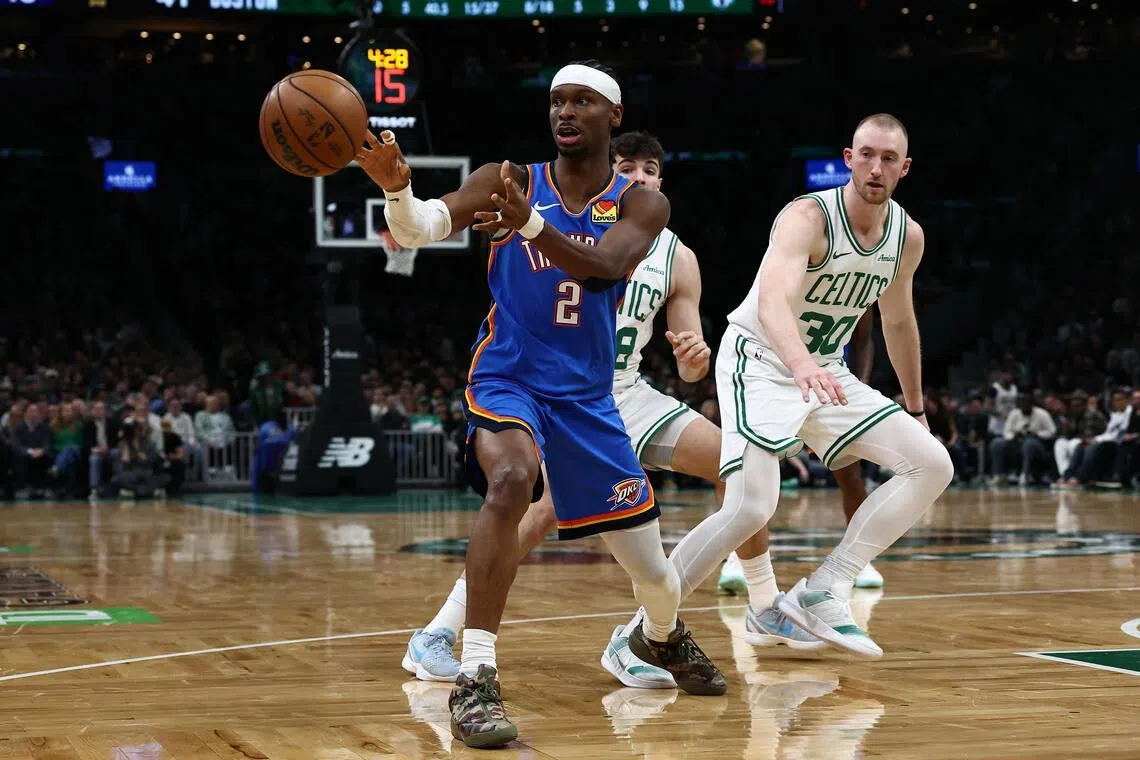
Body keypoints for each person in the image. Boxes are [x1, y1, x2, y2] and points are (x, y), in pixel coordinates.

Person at [356, 63, 724, 748]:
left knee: (653, 572)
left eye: (582, 101)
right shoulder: (509, 178)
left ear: (613, 117)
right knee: (510, 479)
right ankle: (476, 676)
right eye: (557, 100)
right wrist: (397, 190)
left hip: (589, 398)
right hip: (509, 376)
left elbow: (606, 265)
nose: (566, 111)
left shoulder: (643, 205)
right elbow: (422, 228)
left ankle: (664, 638)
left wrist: (529, 227)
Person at [403, 131, 795, 690]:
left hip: (626, 392)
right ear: (609, 173)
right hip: (557, 388)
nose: (638, 176)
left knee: (739, 464)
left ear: (660, 180)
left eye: (649, 169)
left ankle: (756, 599)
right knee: (529, 510)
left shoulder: (678, 256)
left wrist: (692, 357)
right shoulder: (559, 209)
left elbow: (688, 365)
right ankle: (441, 631)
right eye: (626, 166)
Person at [663, 113, 953, 660]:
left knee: (933, 463)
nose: (875, 166)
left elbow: (898, 322)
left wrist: (915, 407)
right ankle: (643, 627)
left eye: (889, 158)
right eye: (866, 154)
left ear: (905, 168)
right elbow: (772, 301)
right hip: (761, 360)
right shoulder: (807, 216)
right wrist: (800, 366)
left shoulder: (906, 236)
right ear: (848, 158)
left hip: (824, 370)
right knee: (750, 507)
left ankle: (826, 587)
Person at [718, 310, 887, 596]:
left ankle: (858, 560)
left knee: (850, 475)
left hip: (828, 385)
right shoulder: (785, 273)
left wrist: (859, 385)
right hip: (773, 380)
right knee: (751, 473)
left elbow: (863, 341)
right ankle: (739, 558)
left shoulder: (863, 280)